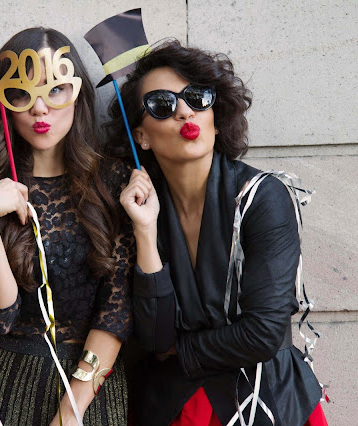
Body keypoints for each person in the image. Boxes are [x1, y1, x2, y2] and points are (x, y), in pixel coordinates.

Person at [109, 40, 327, 425]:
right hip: (176, 407)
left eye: (197, 97)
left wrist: (180, 350)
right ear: (142, 136)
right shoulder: (138, 207)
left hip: (266, 404)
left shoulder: (263, 197)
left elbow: (263, 334)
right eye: (162, 104)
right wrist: (144, 230)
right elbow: (155, 339)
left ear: (215, 114)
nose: (185, 111)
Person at [0, 27, 133, 426]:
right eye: (21, 93)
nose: (40, 109)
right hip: (0, 389)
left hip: (90, 390)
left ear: (78, 94)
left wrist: (70, 414)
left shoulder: (114, 183)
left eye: (55, 90)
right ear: (3, 104)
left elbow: (116, 313)